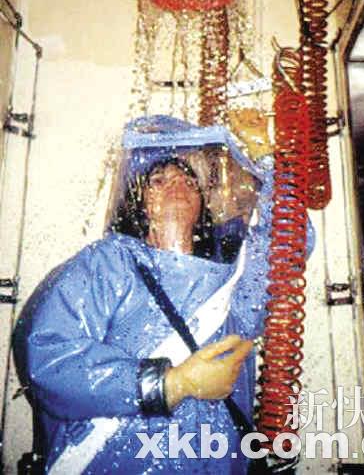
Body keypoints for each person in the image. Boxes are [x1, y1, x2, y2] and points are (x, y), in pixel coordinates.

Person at [13, 115, 314, 474]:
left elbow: (288, 241)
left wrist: (265, 155)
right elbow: (50, 360)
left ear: (202, 203)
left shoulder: (228, 282)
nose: (177, 185)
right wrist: (172, 384)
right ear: (141, 201)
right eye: (159, 180)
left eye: (189, 180)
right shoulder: (109, 263)